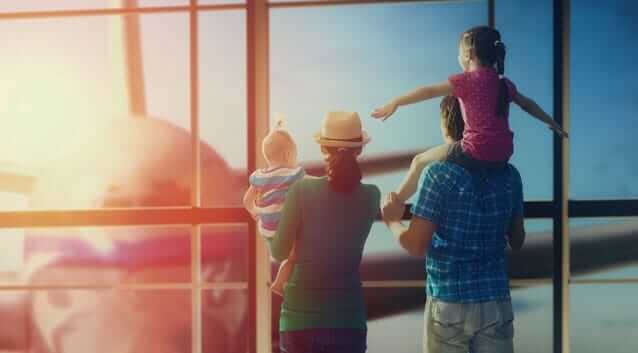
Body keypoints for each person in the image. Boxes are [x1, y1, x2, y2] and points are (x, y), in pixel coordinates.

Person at [382, 95, 526, 353]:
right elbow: (517, 240)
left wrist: (392, 221)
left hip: (449, 301)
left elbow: (416, 246)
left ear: (446, 126)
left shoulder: (438, 175)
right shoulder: (510, 175)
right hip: (495, 299)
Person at [371, 25, 567, 203]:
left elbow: (427, 91)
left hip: (475, 151)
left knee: (419, 161)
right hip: (503, 154)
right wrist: (552, 122)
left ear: (469, 54)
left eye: (459, 54)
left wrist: (395, 102)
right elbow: (528, 105)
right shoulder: (504, 84)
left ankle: (395, 202)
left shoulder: (464, 81)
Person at [267, 111, 380, 353]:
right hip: (348, 320)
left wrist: (264, 220)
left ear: (322, 149)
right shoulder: (372, 195)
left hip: (300, 321)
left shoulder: (301, 190)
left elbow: (278, 251)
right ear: (359, 150)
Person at [242, 119, 305, 296]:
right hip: (284, 229)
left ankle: (283, 282)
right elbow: (310, 183)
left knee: (288, 256)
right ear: (287, 155)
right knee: (294, 257)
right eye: (294, 155)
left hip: (267, 229)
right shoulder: (292, 174)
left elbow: (247, 199)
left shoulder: (259, 176)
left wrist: (254, 210)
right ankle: (279, 283)